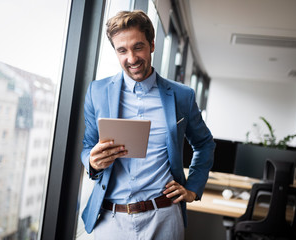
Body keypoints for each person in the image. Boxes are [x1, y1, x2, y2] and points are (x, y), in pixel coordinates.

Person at [81, 10, 215, 240]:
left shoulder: (182, 96)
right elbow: (87, 145)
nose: (131, 58)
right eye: (122, 50)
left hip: (163, 218)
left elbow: (204, 144)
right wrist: (92, 162)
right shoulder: (97, 91)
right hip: (110, 220)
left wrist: (193, 188)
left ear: (152, 45)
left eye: (138, 47)